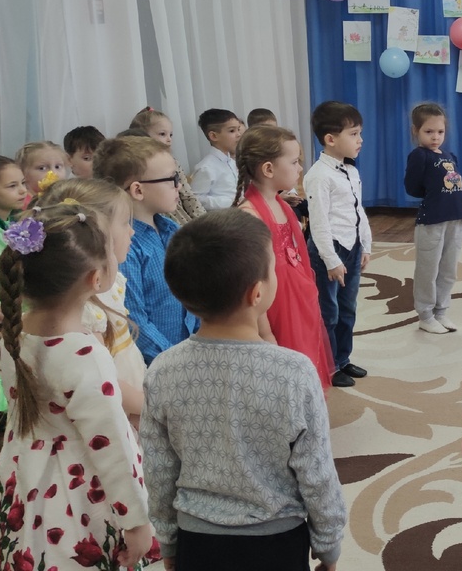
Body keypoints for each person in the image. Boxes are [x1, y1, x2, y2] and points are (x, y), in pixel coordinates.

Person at [142, 210, 346, 571]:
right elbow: (316, 472)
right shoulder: (294, 372)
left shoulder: (163, 370)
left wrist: (168, 542)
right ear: (257, 293)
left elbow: (159, 469)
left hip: (197, 539)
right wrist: (328, 544)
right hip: (277, 540)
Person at [0, 201, 159, 568]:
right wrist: (136, 522)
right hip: (77, 499)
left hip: (26, 481)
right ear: (95, 279)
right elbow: (112, 447)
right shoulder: (85, 354)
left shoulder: (12, 338)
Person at [35, 178, 147, 428]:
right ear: (98, 235)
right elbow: (106, 379)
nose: (132, 232)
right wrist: (149, 406)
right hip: (116, 412)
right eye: (125, 224)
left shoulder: (108, 284)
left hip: (131, 393)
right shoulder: (82, 308)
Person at [234, 125, 335, 387]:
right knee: (283, 368)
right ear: (268, 169)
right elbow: (252, 282)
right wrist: (265, 331)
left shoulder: (282, 205)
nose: (300, 168)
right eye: (294, 162)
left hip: (296, 294)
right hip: (275, 304)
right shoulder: (250, 215)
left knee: (304, 356)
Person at [94, 136, 200, 363]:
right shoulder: (125, 247)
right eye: (172, 179)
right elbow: (135, 322)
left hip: (191, 353)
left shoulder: (171, 229)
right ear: (138, 190)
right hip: (159, 366)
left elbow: (194, 293)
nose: (179, 186)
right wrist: (177, 362)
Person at [305, 101, 373, 388]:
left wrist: (365, 244)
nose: (360, 140)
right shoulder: (318, 176)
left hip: (351, 246)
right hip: (329, 251)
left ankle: (343, 359)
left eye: (359, 133)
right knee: (328, 313)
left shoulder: (351, 170)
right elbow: (319, 223)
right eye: (354, 134)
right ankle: (329, 366)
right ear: (330, 139)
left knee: (348, 309)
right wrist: (331, 260)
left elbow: (358, 211)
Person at [404, 102, 462, 335]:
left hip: (456, 218)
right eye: (429, 131)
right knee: (428, 270)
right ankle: (425, 315)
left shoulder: (450, 155)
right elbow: (412, 187)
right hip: (432, 220)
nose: (435, 137)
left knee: (449, 269)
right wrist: (433, 196)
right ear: (416, 131)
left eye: (440, 132)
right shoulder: (419, 155)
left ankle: (441, 311)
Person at [129, 107, 206, 225]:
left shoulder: (173, 163)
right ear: (142, 136)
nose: (169, 139)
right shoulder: (135, 165)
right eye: (162, 134)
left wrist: (206, 221)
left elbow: (188, 196)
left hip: (180, 220)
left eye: (171, 134)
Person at [0, 156, 28, 426]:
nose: (22, 190)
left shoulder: (11, 226)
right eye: (12, 186)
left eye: (23, 183)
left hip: (17, 320)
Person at [191, 108, 245, 210]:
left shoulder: (231, 162)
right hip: (224, 217)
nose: (238, 134)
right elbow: (196, 199)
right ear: (214, 136)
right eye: (232, 131)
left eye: (238, 129)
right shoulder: (206, 167)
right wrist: (231, 201)